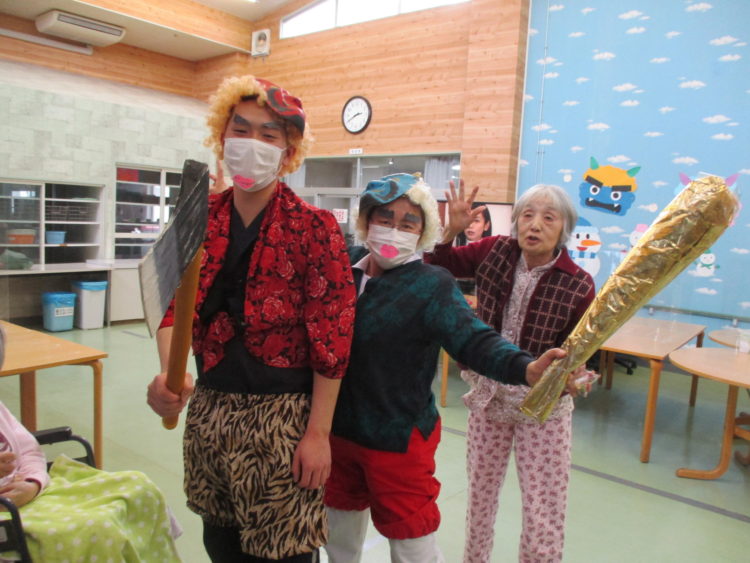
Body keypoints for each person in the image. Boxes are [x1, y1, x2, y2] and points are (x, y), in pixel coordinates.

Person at [146, 75, 356, 562]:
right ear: (222, 136)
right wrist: (169, 378)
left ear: (289, 151)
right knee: (219, 544)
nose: (251, 143)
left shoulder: (315, 228)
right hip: (210, 410)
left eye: (268, 134)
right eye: (240, 129)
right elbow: (173, 306)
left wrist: (318, 434)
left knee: (284, 553)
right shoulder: (197, 219)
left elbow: (333, 339)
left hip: (283, 419)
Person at [323, 173, 586, 563]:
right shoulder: (342, 271)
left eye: (408, 223)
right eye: (385, 219)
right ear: (365, 222)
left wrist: (526, 368)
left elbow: (473, 338)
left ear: (421, 232)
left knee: (412, 544)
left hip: (398, 438)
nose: (394, 231)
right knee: (337, 537)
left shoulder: (431, 285)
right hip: (337, 434)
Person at [425, 181, 596, 563]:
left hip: (544, 408)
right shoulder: (494, 251)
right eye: (527, 215)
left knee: (543, 507)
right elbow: (436, 267)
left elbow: (581, 353)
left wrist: (576, 375)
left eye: (548, 218)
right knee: (479, 498)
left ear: (564, 229)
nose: (534, 225)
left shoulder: (578, 284)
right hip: (490, 398)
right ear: (516, 221)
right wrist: (450, 232)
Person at [0, 400, 180, 561]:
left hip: (31, 489)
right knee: (97, 528)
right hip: (7, 513)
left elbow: (29, 450)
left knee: (139, 487)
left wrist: (33, 483)